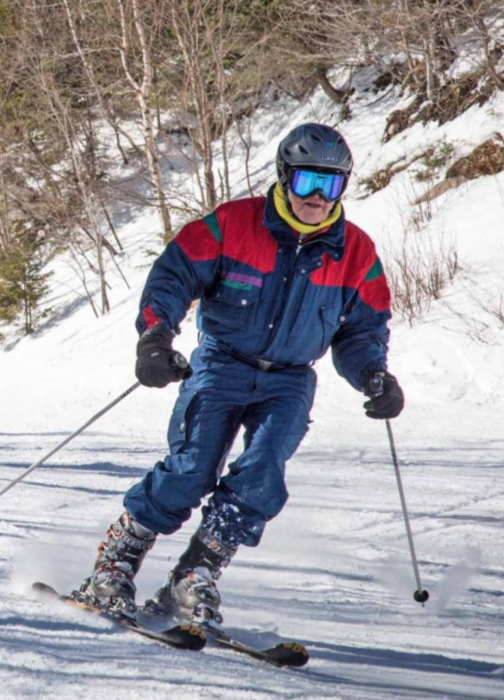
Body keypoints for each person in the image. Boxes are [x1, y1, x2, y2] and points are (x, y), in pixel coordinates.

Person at [76, 123, 404, 624]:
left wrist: (373, 375)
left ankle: (196, 574)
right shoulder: (232, 224)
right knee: (191, 469)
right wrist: (156, 337)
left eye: (331, 184)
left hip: (290, 379)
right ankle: (115, 564)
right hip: (222, 363)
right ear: (285, 176)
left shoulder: (356, 253)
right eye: (308, 182)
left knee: (262, 475)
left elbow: (362, 330)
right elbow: (174, 275)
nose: (318, 197)